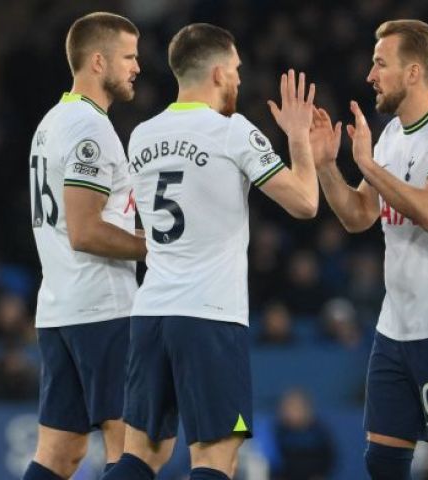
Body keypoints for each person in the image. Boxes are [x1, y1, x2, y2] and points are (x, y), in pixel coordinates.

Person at [101, 23, 318, 480]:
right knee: (217, 458)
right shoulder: (231, 130)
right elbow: (305, 202)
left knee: (141, 456)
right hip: (210, 316)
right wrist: (299, 137)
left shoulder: (140, 135)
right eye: (236, 69)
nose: (240, 78)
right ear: (219, 73)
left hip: (151, 313)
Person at [310, 19, 428, 480]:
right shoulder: (391, 136)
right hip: (396, 326)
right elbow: (358, 217)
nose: (371, 74)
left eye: (380, 63)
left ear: (413, 72)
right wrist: (329, 167)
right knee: (382, 461)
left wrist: (368, 166)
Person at [23, 12, 145, 480]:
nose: (137, 66)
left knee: (61, 453)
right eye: (129, 56)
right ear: (98, 61)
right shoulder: (89, 129)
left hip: (60, 309)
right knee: (129, 446)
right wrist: (156, 248)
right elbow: (86, 231)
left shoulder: (52, 122)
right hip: (103, 309)